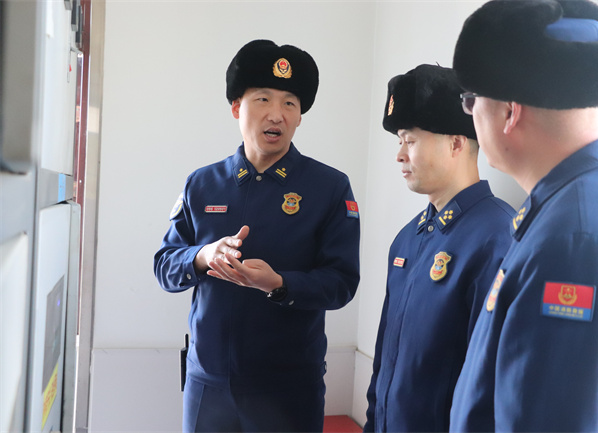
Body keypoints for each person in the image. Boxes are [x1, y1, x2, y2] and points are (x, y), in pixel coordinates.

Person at [449, 1, 598, 431]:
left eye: (471, 101)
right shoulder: (587, 203)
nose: (471, 115)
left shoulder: (576, 240)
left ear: (509, 111)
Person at [154, 39, 361, 433]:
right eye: (263, 99)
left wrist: (280, 284)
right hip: (207, 384)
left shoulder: (329, 188)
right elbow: (165, 265)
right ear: (237, 107)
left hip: (288, 390)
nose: (276, 114)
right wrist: (203, 256)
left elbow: (341, 283)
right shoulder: (202, 184)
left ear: (299, 117)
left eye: (289, 103)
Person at [363, 64, 515, 433]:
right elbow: (385, 356)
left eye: (410, 141)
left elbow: (492, 379)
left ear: (456, 143)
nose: (400, 155)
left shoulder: (498, 237)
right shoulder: (408, 238)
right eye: (399, 141)